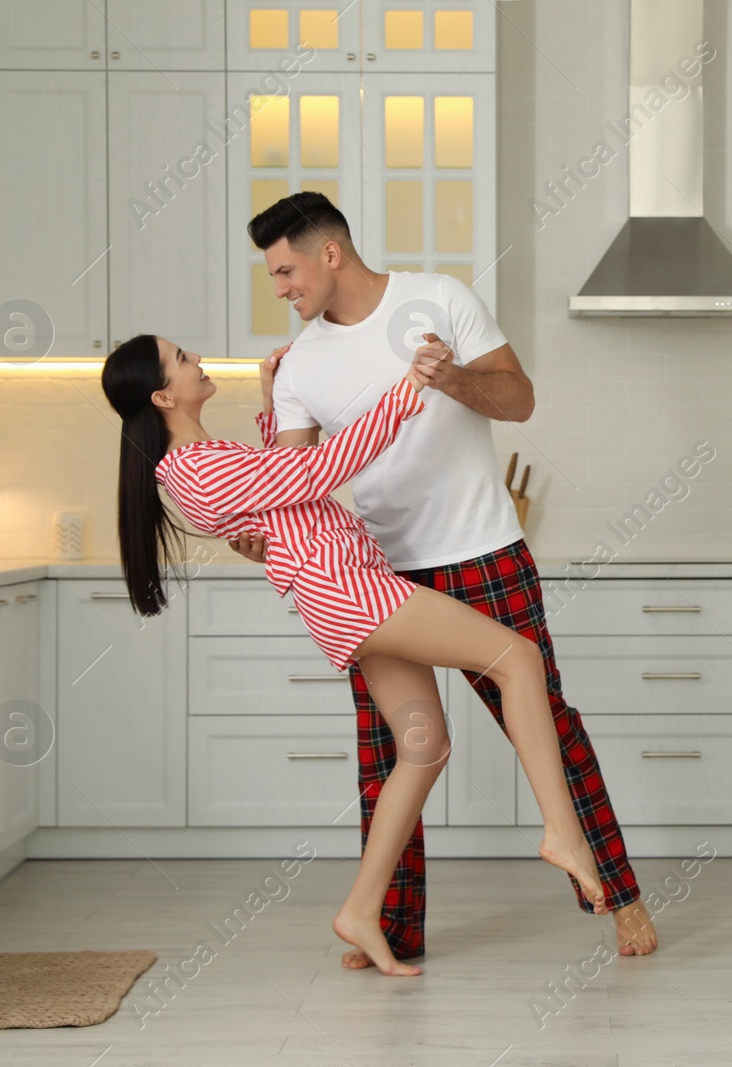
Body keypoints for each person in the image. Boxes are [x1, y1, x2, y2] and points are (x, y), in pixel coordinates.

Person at [231, 191, 657, 965]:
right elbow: (294, 484)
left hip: (485, 552)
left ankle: (618, 896)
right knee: (393, 752)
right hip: (378, 576)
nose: (282, 288)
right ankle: (389, 925)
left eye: (287, 269)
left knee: (551, 725)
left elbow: (519, 399)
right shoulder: (298, 366)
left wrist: (451, 377)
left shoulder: (441, 297)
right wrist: (259, 523)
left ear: (329, 253)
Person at [101, 333, 609, 977]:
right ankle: (561, 831)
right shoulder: (194, 467)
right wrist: (410, 389)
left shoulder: (202, 457)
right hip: (355, 592)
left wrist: (271, 403)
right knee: (518, 658)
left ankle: (361, 909)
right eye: (182, 358)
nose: (196, 358)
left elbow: (275, 488)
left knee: (425, 748)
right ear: (163, 394)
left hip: (352, 588)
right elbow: (318, 470)